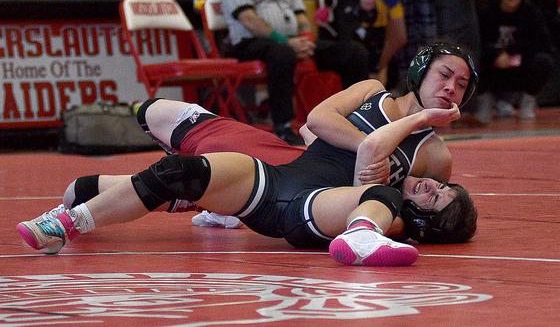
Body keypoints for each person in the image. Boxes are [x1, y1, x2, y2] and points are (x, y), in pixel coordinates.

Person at [17, 43, 479, 266]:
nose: (449, 88)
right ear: (420, 71)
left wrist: (407, 134)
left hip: (321, 204)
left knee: (378, 192)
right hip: (283, 176)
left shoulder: (434, 155)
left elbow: (383, 185)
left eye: (460, 85)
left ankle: (360, 237)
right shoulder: (373, 92)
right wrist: (406, 126)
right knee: (182, 170)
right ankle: (66, 224)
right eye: (444, 75)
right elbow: (315, 123)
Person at [219, 0, 369, 144]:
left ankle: (358, 118)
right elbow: (248, 19)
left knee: (354, 52)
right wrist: (285, 41)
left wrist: (306, 40)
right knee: (283, 53)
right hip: (248, 42)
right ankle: (283, 126)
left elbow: (301, 16)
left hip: (291, 41)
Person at [475, 0, 554, 123]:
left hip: (520, 66)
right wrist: (497, 55)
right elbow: (480, 41)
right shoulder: (488, 13)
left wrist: (511, 54)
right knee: (472, 60)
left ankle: (527, 101)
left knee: (544, 61)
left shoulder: (531, 13)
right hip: (493, 66)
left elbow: (541, 42)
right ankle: (486, 101)